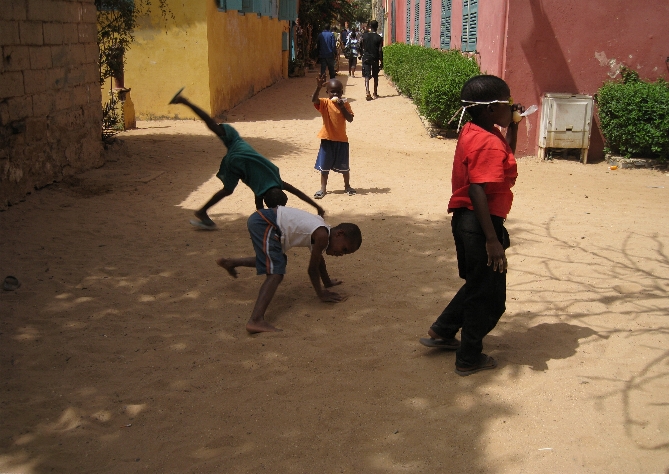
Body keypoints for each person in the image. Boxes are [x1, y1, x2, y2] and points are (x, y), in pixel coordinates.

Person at [419, 75, 525, 376]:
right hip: (481, 224)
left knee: (479, 284)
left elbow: (505, 157)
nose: (511, 105)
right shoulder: (487, 142)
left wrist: (512, 124)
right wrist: (493, 240)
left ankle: (443, 330)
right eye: (507, 102)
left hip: (468, 221)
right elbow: (479, 188)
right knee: (490, 298)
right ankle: (468, 357)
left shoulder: (476, 128)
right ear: (491, 108)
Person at [169, 88, 324, 229]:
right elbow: (261, 208)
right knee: (227, 190)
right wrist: (316, 208)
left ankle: (185, 101)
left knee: (212, 125)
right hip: (236, 161)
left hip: (239, 146)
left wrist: (317, 207)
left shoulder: (278, 180)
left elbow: (298, 193)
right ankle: (202, 211)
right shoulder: (260, 191)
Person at [217, 205, 362, 333]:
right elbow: (312, 269)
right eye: (344, 249)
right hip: (265, 223)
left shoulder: (323, 231)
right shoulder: (322, 235)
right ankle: (255, 320)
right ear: (339, 234)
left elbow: (319, 261)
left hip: (267, 223)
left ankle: (231, 263)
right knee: (276, 272)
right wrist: (321, 294)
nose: (341, 254)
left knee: (275, 260)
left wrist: (327, 282)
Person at [311, 74, 355, 199]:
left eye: (338, 92)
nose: (335, 94)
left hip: (341, 139)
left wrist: (342, 106)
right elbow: (314, 100)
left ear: (342, 92)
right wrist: (318, 87)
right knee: (324, 167)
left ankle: (347, 186)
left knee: (345, 167)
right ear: (327, 92)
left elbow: (350, 119)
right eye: (332, 92)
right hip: (327, 139)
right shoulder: (325, 103)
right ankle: (323, 189)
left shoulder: (345, 104)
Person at [360, 20, 383, 101]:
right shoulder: (379, 38)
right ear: (377, 27)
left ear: (370, 26)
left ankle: (367, 92)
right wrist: (382, 61)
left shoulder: (364, 36)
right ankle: (375, 93)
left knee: (367, 75)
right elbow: (380, 51)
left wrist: (361, 54)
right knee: (375, 76)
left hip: (366, 57)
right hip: (375, 58)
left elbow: (361, 46)